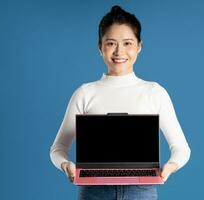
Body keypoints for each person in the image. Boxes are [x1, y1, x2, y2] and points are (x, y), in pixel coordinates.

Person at [50, 5, 191, 200]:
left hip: (141, 191)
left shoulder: (155, 92)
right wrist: (66, 164)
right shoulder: (84, 93)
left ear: (139, 46)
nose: (119, 52)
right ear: (100, 46)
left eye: (127, 43)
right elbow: (58, 149)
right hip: (94, 191)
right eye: (111, 43)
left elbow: (182, 148)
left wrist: (171, 166)